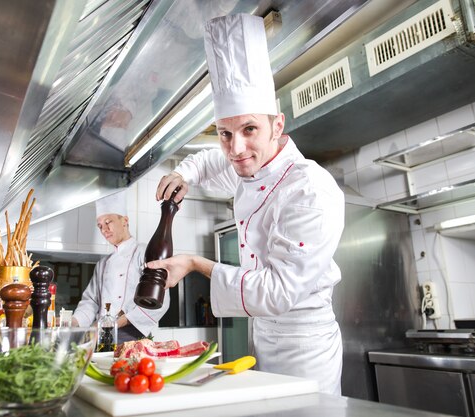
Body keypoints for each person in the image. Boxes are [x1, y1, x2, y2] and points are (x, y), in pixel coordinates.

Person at [148, 14, 345, 395]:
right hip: (263, 335)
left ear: (277, 124)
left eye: (249, 129)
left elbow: (277, 292)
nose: (236, 149)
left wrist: (193, 263)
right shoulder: (249, 168)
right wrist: (183, 175)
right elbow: (205, 162)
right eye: (225, 134)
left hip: (306, 345)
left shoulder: (309, 189)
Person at [72, 190, 170, 344]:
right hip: (103, 335)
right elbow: (91, 301)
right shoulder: (102, 264)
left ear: (124, 220)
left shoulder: (146, 252)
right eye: (99, 226)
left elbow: (159, 300)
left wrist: (116, 323)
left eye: (108, 222)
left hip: (135, 335)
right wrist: (72, 322)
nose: (104, 229)